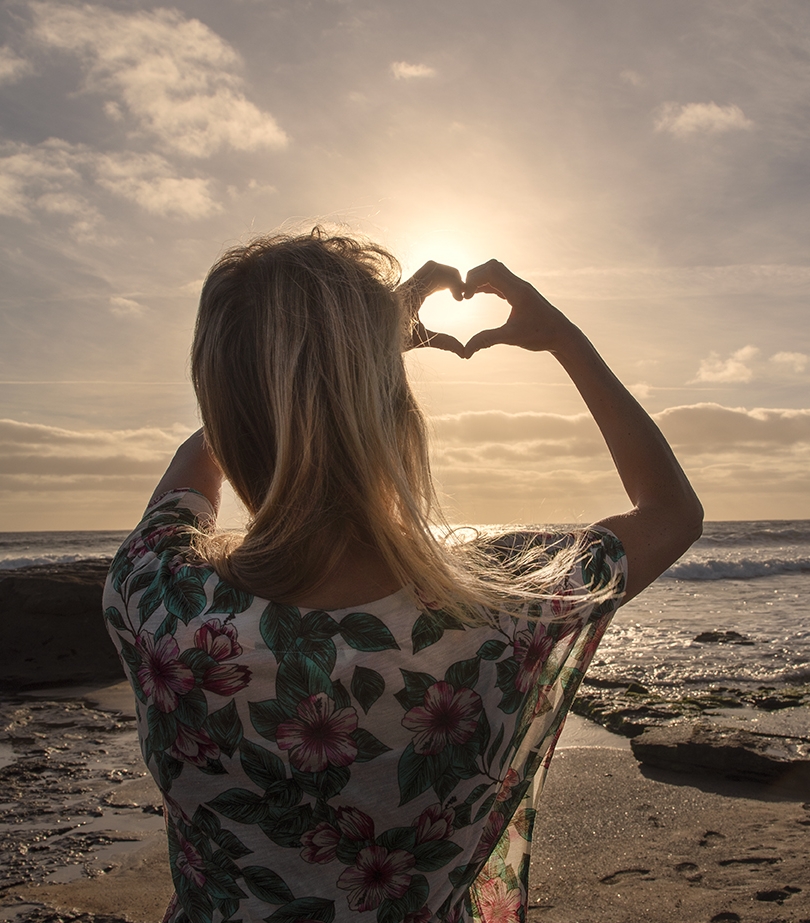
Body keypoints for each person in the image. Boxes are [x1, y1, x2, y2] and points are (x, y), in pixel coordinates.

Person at [103, 228, 702, 923]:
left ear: (224, 406)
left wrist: (318, 365)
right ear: (391, 407)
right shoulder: (499, 606)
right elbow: (669, 510)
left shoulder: (156, 596)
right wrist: (561, 336)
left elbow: (195, 474)